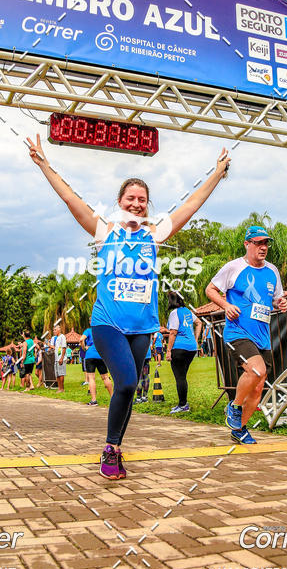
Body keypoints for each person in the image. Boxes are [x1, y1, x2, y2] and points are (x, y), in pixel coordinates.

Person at [27, 133, 229, 479]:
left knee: (130, 388)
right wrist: (45, 163)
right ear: (120, 201)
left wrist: (216, 174)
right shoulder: (104, 231)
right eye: (131, 198)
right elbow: (68, 197)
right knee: (125, 382)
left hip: (143, 327)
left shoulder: (154, 235)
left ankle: (116, 447)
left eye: (143, 200)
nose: (137, 203)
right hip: (108, 324)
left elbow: (191, 205)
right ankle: (108, 449)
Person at [205, 225, 287, 444]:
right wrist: (225, 305)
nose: (263, 248)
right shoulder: (233, 267)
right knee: (256, 370)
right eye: (258, 243)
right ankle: (233, 406)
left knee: (259, 386)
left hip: (262, 335)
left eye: (266, 243)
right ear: (247, 244)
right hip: (237, 332)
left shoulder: (272, 271)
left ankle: (239, 429)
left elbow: (276, 299)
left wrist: (281, 302)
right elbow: (210, 289)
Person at [166, 291, 200, 413]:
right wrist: (195, 339)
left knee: (180, 377)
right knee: (182, 376)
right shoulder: (188, 311)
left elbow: (173, 332)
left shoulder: (174, 313)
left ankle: (183, 405)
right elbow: (199, 323)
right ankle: (183, 403)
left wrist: (168, 350)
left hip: (179, 348)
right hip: (191, 348)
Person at [81, 326, 114, 406]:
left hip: (90, 355)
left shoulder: (88, 330)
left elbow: (81, 339)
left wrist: (84, 348)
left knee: (91, 378)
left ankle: (94, 400)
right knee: (105, 377)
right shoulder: (102, 331)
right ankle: (113, 398)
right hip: (100, 355)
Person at [51, 323, 67, 393]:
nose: (53, 331)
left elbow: (64, 348)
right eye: (53, 330)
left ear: (58, 330)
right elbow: (56, 348)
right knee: (57, 374)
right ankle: (59, 388)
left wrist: (62, 358)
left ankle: (62, 388)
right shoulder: (56, 338)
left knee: (61, 373)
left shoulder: (62, 337)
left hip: (61, 359)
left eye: (55, 330)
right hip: (56, 358)